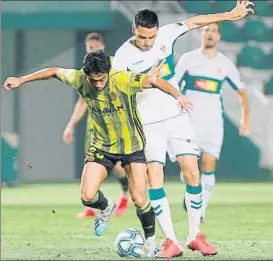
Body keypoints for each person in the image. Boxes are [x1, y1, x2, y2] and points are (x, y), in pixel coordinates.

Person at [3, 50, 192, 257]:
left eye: (102, 79)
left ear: (108, 73)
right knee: (87, 196)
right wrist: (22, 80)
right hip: (102, 146)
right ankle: (106, 206)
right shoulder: (79, 78)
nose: (99, 84)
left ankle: (150, 243)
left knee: (140, 199)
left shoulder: (121, 78)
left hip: (132, 147)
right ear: (87, 74)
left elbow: (153, 81)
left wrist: (179, 95)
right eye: (95, 80)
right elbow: (54, 71)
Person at [112, 1, 254, 258]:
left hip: (177, 116)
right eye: (142, 37)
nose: (147, 42)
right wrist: (145, 83)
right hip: (148, 124)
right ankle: (171, 241)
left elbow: (196, 21)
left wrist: (231, 16)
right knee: (155, 177)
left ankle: (194, 235)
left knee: (193, 173)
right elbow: (119, 90)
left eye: (151, 37)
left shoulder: (166, 34)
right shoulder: (122, 57)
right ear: (134, 29)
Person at [175, 23, 250, 222]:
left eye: (214, 31)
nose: (209, 34)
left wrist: (245, 118)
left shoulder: (225, 64)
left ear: (218, 37)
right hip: (188, 120)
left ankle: (201, 211)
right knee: (189, 167)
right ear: (201, 34)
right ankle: (190, 190)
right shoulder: (188, 60)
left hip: (213, 121)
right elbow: (173, 86)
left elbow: (241, 91)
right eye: (206, 30)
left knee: (209, 162)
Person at [62, 32, 129, 218]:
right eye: (90, 48)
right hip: (95, 126)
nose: (93, 50)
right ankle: (92, 205)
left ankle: (126, 194)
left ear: (103, 46)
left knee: (117, 167)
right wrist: (71, 125)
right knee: (91, 163)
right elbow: (82, 101)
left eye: (96, 47)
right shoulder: (85, 72)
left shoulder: (116, 64)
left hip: (116, 123)